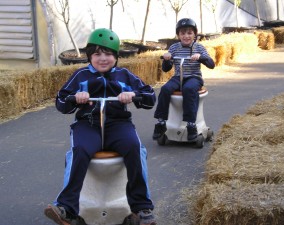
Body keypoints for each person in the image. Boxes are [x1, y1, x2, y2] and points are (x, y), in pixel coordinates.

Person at [44, 28, 157, 225]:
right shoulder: (80, 76)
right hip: (88, 124)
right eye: (97, 54)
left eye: (108, 53)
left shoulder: (125, 75)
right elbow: (61, 102)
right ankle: (67, 208)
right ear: (89, 56)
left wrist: (132, 95)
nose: (102, 58)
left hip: (118, 124)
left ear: (116, 56)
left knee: (135, 148)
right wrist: (76, 99)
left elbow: (150, 98)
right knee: (79, 150)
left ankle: (142, 207)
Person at [153, 18, 215, 141]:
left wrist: (201, 57)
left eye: (189, 33)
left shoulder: (199, 47)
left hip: (194, 77)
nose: (186, 36)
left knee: (189, 89)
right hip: (178, 77)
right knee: (165, 89)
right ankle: (161, 122)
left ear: (194, 34)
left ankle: (191, 124)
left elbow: (211, 64)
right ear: (178, 35)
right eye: (183, 33)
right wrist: (167, 59)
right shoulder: (174, 47)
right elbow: (166, 69)